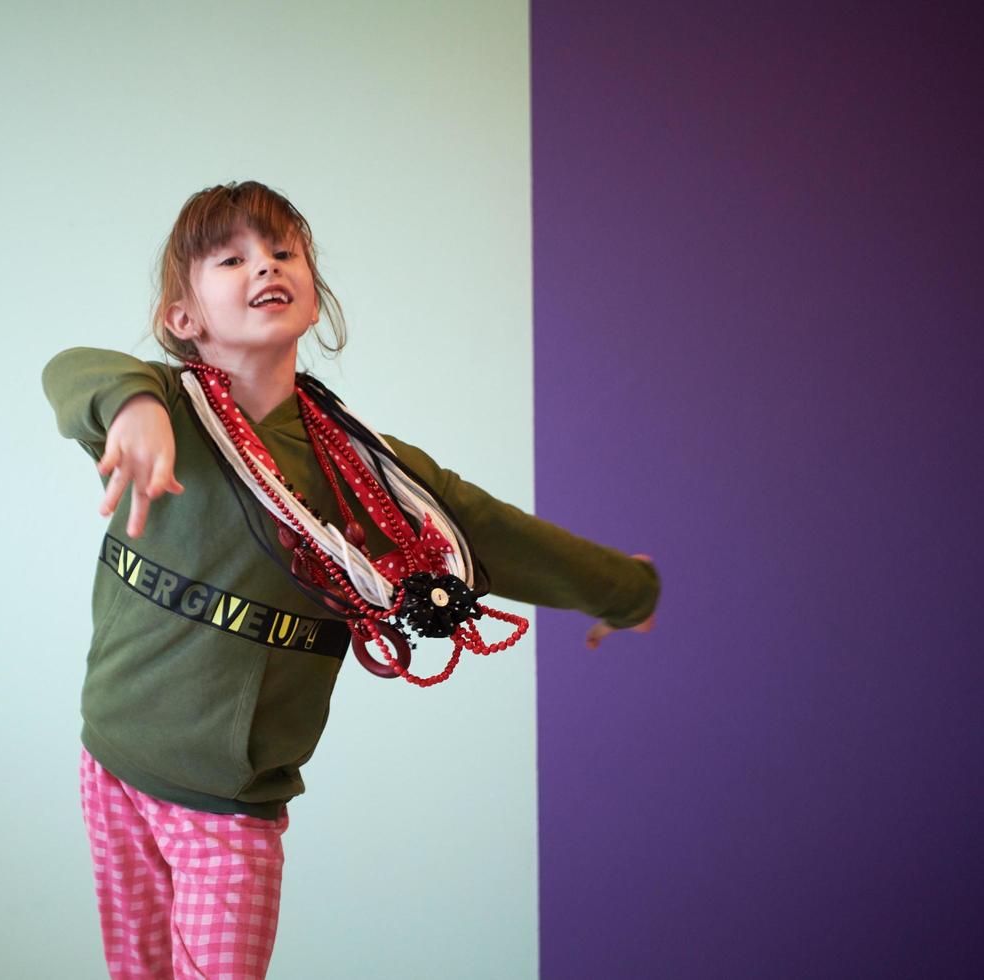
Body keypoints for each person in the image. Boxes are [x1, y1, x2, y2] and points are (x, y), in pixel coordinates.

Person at [41, 180, 659, 979]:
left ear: (312, 293)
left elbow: (495, 533)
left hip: (228, 802)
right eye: (232, 257)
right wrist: (130, 406)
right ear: (182, 319)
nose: (265, 265)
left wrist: (624, 589)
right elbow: (72, 370)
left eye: (283, 251)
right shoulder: (163, 403)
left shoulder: (369, 474)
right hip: (112, 759)